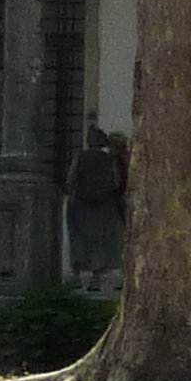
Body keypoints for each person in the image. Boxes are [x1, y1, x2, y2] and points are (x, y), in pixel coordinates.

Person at [63, 122, 128, 290]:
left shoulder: (80, 156)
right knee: (99, 240)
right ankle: (95, 279)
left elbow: (70, 178)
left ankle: (76, 277)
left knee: (77, 238)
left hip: (79, 202)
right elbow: (116, 181)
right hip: (103, 203)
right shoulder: (109, 159)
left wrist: (74, 191)